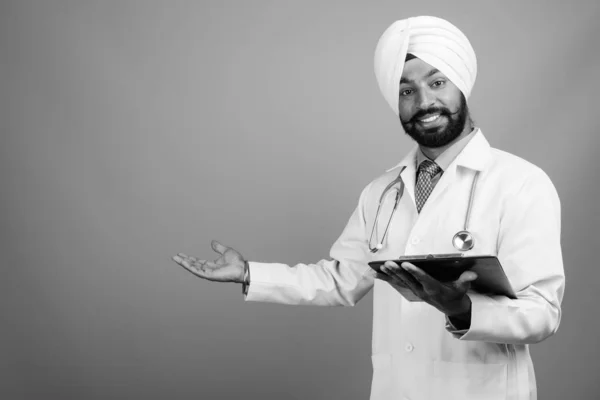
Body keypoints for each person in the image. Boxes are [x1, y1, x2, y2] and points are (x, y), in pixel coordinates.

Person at [172, 15, 564, 400]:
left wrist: (462, 310)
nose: (424, 101)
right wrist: (247, 274)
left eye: (437, 82)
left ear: (461, 84)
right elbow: (340, 280)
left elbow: (542, 313)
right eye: (406, 90)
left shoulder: (521, 184)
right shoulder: (381, 192)